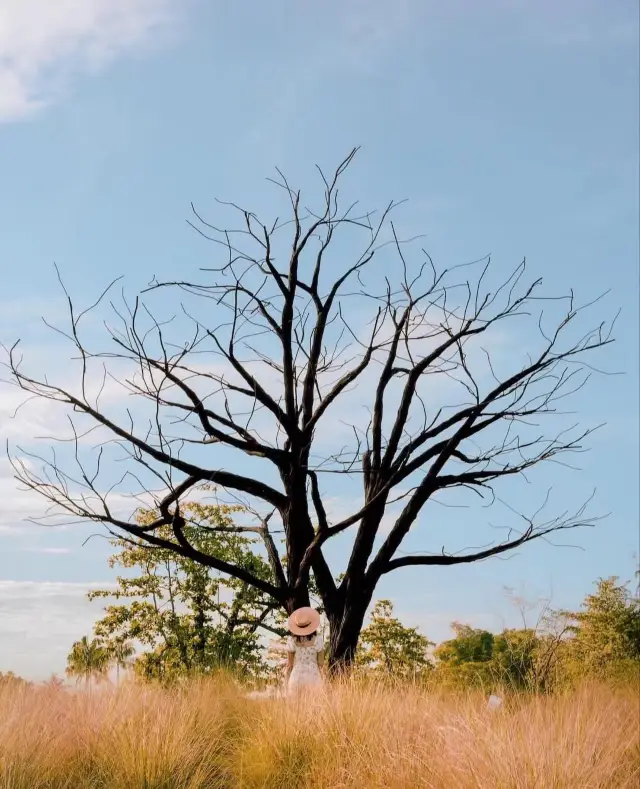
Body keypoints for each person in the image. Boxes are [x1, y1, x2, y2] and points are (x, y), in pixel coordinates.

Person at [284, 606, 325, 696]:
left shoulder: (291, 640)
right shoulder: (318, 640)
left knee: (295, 708)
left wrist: (285, 683)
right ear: (311, 624)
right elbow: (321, 664)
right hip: (313, 677)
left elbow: (289, 665)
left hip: (296, 677)